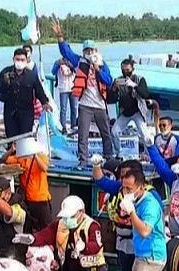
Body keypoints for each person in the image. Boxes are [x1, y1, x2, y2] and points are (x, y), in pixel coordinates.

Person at [90, 157, 159, 271]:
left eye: (126, 177)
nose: (123, 181)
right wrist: (96, 165)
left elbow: (153, 222)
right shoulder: (120, 188)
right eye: (121, 177)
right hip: (121, 239)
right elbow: (100, 179)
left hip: (139, 241)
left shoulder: (150, 195)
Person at [52, 19, 114, 167]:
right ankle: (83, 161)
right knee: (82, 135)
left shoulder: (102, 64)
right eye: (87, 50)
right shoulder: (79, 61)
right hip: (85, 105)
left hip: (100, 105)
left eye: (92, 50)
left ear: (96, 51)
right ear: (83, 52)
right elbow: (66, 52)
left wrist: (98, 69)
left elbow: (109, 81)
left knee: (106, 133)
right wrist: (60, 36)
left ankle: (109, 158)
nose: (89, 53)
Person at [0, 48, 52, 141]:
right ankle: (12, 154)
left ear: (26, 61)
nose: (19, 62)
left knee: (26, 138)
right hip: (10, 112)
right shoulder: (5, 72)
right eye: (17, 59)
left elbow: (39, 90)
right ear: (13, 59)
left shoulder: (31, 75)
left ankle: (24, 155)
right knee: (11, 139)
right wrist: (4, 82)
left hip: (26, 112)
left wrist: (45, 102)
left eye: (22, 60)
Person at [0, 142, 53, 232]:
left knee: (46, 229)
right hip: (28, 201)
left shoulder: (42, 156)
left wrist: (35, 155)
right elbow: (4, 160)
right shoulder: (22, 158)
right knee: (28, 228)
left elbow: (44, 168)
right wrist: (11, 151)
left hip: (42, 200)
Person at [108, 59, 151, 157]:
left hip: (138, 111)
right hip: (125, 112)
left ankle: (149, 156)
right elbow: (111, 100)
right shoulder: (118, 80)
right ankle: (119, 154)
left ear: (133, 69)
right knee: (114, 132)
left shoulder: (140, 79)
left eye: (127, 70)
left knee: (145, 135)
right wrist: (114, 89)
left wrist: (134, 85)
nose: (125, 72)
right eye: (123, 70)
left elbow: (145, 95)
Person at [51, 57, 78, 135]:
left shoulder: (73, 61)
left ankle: (74, 126)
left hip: (73, 87)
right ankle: (63, 127)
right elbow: (53, 72)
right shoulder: (58, 62)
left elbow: (77, 70)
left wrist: (71, 65)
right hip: (63, 88)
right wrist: (58, 64)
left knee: (74, 108)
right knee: (63, 108)